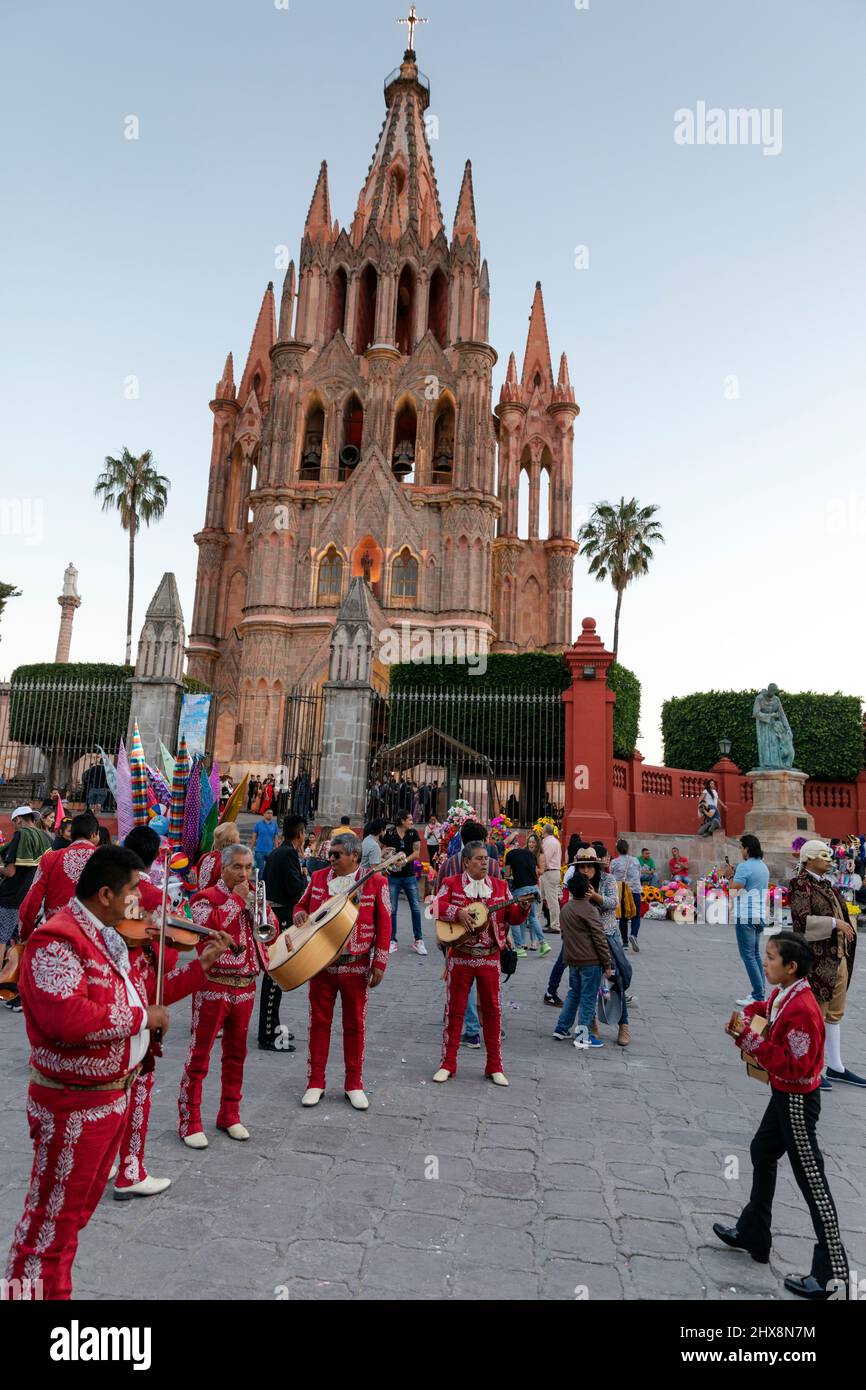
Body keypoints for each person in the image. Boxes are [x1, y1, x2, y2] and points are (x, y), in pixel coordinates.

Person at [2, 846, 231, 1300]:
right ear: (106, 894)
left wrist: (199, 970)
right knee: (47, 1230)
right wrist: (140, 1019)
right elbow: (66, 1018)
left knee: (71, 1221)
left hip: (107, 1099)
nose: (140, 903)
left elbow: (150, 999)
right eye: (132, 892)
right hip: (72, 1105)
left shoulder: (106, 935)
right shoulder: (57, 939)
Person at [714, 932, 849, 1300]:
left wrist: (749, 1040)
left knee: (812, 1182)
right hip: (783, 1095)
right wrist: (745, 1017)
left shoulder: (803, 1009)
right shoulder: (785, 994)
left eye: (771, 958)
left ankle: (831, 1273)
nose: (766, 962)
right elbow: (764, 1009)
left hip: (797, 1101)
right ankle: (755, 1233)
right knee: (762, 1151)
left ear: (791, 967)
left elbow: (795, 1065)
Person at [178, 843, 278, 1147]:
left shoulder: (253, 897)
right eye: (238, 867)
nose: (244, 873)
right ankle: (190, 1120)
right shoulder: (204, 898)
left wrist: (258, 910)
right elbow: (210, 928)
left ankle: (230, 1114)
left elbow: (270, 929)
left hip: (246, 985)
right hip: (214, 985)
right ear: (223, 868)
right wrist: (237, 900)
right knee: (200, 1055)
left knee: (237, 1055)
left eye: (248, 867)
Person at [293, 831, 391, 1111]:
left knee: (355, 1025)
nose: (330, 859)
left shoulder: (376, 882)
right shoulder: (318, 878)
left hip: (356, 965)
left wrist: (379, 962)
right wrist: (299, 913)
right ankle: (315, 1082)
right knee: (319, 1023)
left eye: (337, 854)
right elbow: (301, 905)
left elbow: (385, 924)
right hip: (321, 965)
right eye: (329, 854)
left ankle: (354, 1083)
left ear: (354, 856)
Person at [430, 841, 529, 1087]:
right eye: (479, 859)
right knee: (454, 1011)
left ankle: (494, 1066)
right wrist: (457, 913)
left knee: (493, 1011)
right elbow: (435, 906)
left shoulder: (500, 887)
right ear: (466, 862)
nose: (485, 862)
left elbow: (513, 917)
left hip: (490, 957)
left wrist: (524, 908)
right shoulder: (451, 884)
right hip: (460, 955)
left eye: (486, 859)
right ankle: (447, 1063)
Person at [789, 839, 863, 1090]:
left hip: (838, 957)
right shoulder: (800, 884)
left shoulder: (827, 884)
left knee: (834, 1015)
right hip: (818, 959)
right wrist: (834, 924)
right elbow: (800, 922)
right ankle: (811, 1068)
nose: (829, 860)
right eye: (824, 856)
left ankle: (836, 1066)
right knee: (815, 1015)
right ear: (809, 859)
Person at [545, 846, 632, 1046]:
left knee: (615, 982)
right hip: (583, 944)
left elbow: (613, 903)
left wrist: (595, 896)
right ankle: (589, 1025)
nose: (585, 870)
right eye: (582, 867)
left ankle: (623, 1025)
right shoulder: (577, 884)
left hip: (608, 937)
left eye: (589, 867)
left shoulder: (607, 880)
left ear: (596, 867)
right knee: (586, 988)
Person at [259, 814, 306, 1053]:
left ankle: (272, 1025)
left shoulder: (280, 851)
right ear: (300, 834)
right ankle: (267, 1033)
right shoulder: (289, 854)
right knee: (274, 975)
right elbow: (294, 889)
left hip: (276, 915)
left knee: (274, 977)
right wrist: (305, 875)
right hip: (281, 917)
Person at [18, 811, 100, 941]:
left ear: (71, 835)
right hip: (93, 938)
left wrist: (25, 935)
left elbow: (31, 901)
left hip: (55, 934)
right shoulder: (108, 860)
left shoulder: (50, 858)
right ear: (94, 834)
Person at [552, 871, 612, 1049]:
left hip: (573, 959)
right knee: (588, 998)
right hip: (590, 961)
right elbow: (599, 938)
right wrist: (607, 963)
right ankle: (583, 1035)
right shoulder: (590, 910)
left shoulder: (566, 909)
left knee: (573, 993)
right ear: (588, 890)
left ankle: (562, 1027)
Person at [0, 807, 52, 990]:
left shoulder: (21, 835)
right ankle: (15, 984)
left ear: (19, 820)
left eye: (14, 823)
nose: (14, 827)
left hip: (10, 897)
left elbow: (10, 871)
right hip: (29, 898)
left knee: (1, 939)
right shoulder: (45, 838)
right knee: (19, 942)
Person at [725, 834, 770, 1008]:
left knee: (748, 956)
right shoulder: (763, 867)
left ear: (747, 848)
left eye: (741, 847)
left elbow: (734, 890)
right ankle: (760, 992)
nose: (740, 851)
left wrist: (730, 876)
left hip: (746, 915)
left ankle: (758, 995)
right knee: (755, 955)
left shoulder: (744, 866)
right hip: (759, 914)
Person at [384, 812, 425, 955]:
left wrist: (404, 861)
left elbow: (417, 852)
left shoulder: (413, 833)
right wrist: (386, 859)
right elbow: (381, 849)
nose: (412, 822)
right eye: (410, 819)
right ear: (401, 820)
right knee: (393, 909)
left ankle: (418, 940)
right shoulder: (389, 833)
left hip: (409, 875)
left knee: (415, 907)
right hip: (393, 876)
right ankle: (392, 940)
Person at [504, 831, 549, 958]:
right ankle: (543, 943)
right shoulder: (530, 854)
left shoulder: (510, 854)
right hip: (534, 888)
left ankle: (519, 948)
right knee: (533, 917)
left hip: (521, 890)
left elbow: (507, 875)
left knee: (515, 919)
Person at [610, 837, 643, 952]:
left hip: (622, 892)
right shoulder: (635, 861)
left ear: (617, 850)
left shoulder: (614, 862)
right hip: (634, 890)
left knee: (623, 917)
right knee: (636, 915)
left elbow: (612, 877)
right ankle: (633, 934)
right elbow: (638, 875)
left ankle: (624, 942)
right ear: (628, 849)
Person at [196, 821, 241, 892]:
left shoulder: (205, 856)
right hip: (218, 902)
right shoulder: (228, 861)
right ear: (232, 841)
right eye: (238, 837)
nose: (239, 840)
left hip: (201, 899)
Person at [539, 826, 562, 934]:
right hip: (551, 872)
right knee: (539, 897)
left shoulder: (549, 842)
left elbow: (545, 858)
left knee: (551, 900)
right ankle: (536, 920)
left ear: (545, 831)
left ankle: (555, 925)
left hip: (549, 872)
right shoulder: (555, 841)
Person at [252, 806, 278, 876]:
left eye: (271, 813)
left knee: (270, 870)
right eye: (268, 813)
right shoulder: (258, 824)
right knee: (260, 870)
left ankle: (267, 884)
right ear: (264, 814)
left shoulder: (274, 825)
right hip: (259, 850)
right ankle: (260, 885)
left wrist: (276, 848)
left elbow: (276, 837)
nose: (270, 815)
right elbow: (254, 836)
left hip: (270, 851)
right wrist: (252, 847)